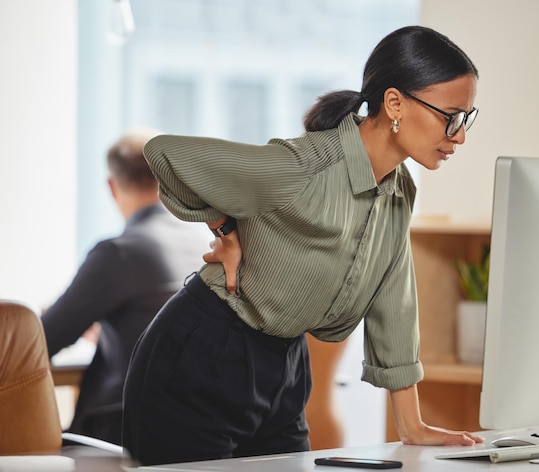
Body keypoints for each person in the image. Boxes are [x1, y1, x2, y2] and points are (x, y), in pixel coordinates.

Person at [122, 25, 483, 466]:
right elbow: (166, 154)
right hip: (202, 357)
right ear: (394, 104)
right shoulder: (302, 167)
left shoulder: (400, 188)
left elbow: (395, 300)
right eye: (451, 115)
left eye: (465, 118)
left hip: (285, 367)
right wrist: (225, 230)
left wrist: (412, 425)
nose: (459, 134)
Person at [42, 130, 208, 445]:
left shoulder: (120, 253)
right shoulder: (207, 245)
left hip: (120, 434)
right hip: (199, 431)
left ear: (112, 186)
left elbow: (43, 340)